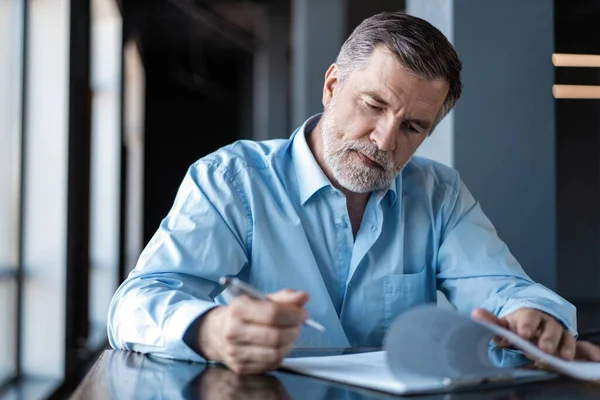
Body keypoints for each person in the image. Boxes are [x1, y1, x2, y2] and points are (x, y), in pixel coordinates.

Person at [107, 11, 600, 374]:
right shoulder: (232, 179)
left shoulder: (438, 192)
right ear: (331, 85)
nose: (385, 140)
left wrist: (533, 316)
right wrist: (210, 330)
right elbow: (136, 302)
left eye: (412, 127)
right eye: (372, 105)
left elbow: (501, 288)